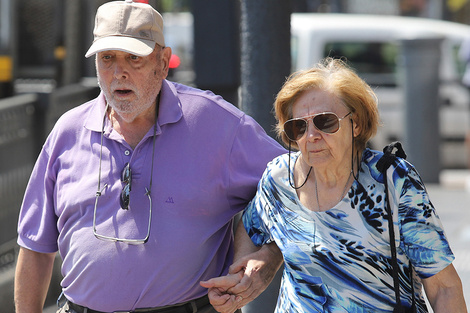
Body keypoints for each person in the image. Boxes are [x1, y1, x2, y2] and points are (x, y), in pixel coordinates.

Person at [13, 1, 286, 312]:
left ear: (163, 60)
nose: (119, 73)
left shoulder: (216, 123)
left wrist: (266, 260)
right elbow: (34, 246)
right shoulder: (69, 131)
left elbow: (295, 187)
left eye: (134, 58)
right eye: (107, 58)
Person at [202, 58, 467, 312]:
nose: (312, 136)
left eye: (325, 121)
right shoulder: (279, 177)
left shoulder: (393, 180)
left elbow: (444, 287)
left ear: (356, 124)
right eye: (299, 127)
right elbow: (251, 227)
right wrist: (245, 272)